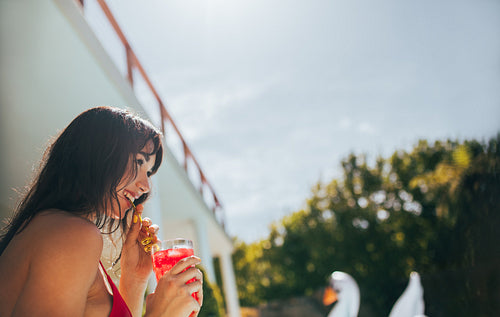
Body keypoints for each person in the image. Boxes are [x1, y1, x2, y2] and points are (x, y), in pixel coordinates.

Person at [0, 106, 203, 317]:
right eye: (138, 162)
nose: (146, 186)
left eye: (149, 172)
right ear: (98, 153)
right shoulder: (72, 235)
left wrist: (134, 279)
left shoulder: (55, 227)